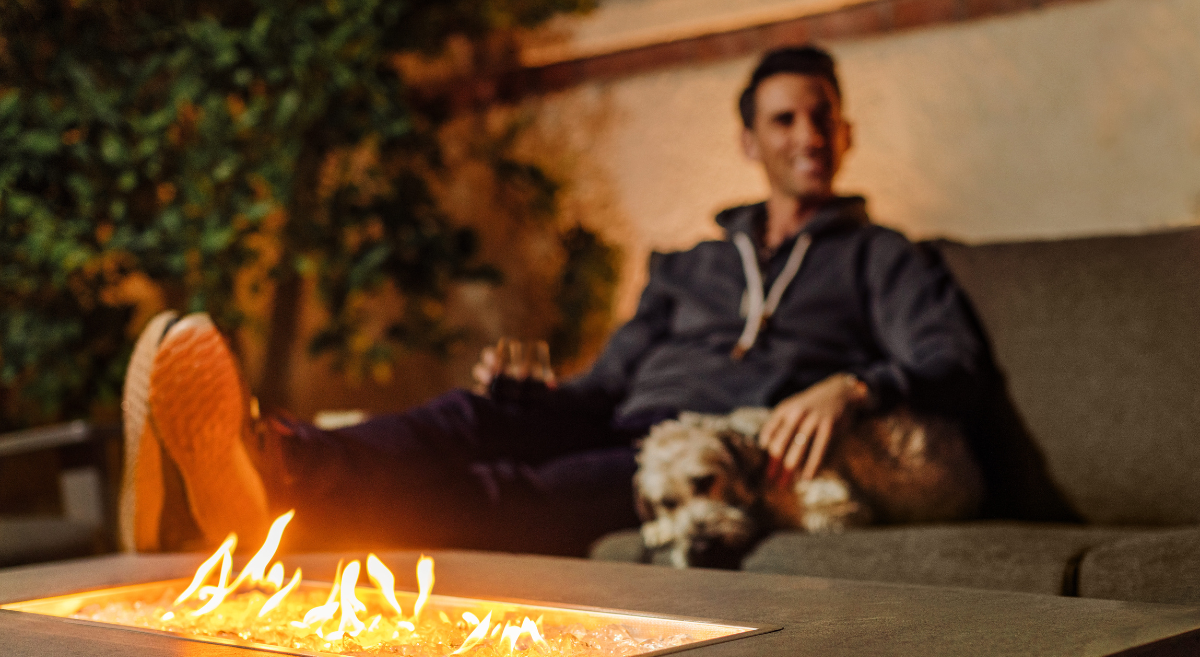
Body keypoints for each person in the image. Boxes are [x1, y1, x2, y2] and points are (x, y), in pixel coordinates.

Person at [122, 45, 989, 556]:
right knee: (471, 417)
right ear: (749, 140)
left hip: (705, 454)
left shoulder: (882, 257)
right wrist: (531, 389)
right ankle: (270, 457)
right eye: (784, 120)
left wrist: (852, 387)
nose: (806, 137)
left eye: (820, 117)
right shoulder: (692, 264)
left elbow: (949, 362)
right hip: (617, 414)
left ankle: (231, 523)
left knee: (510, 488)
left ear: (846, 131)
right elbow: (606, 381)